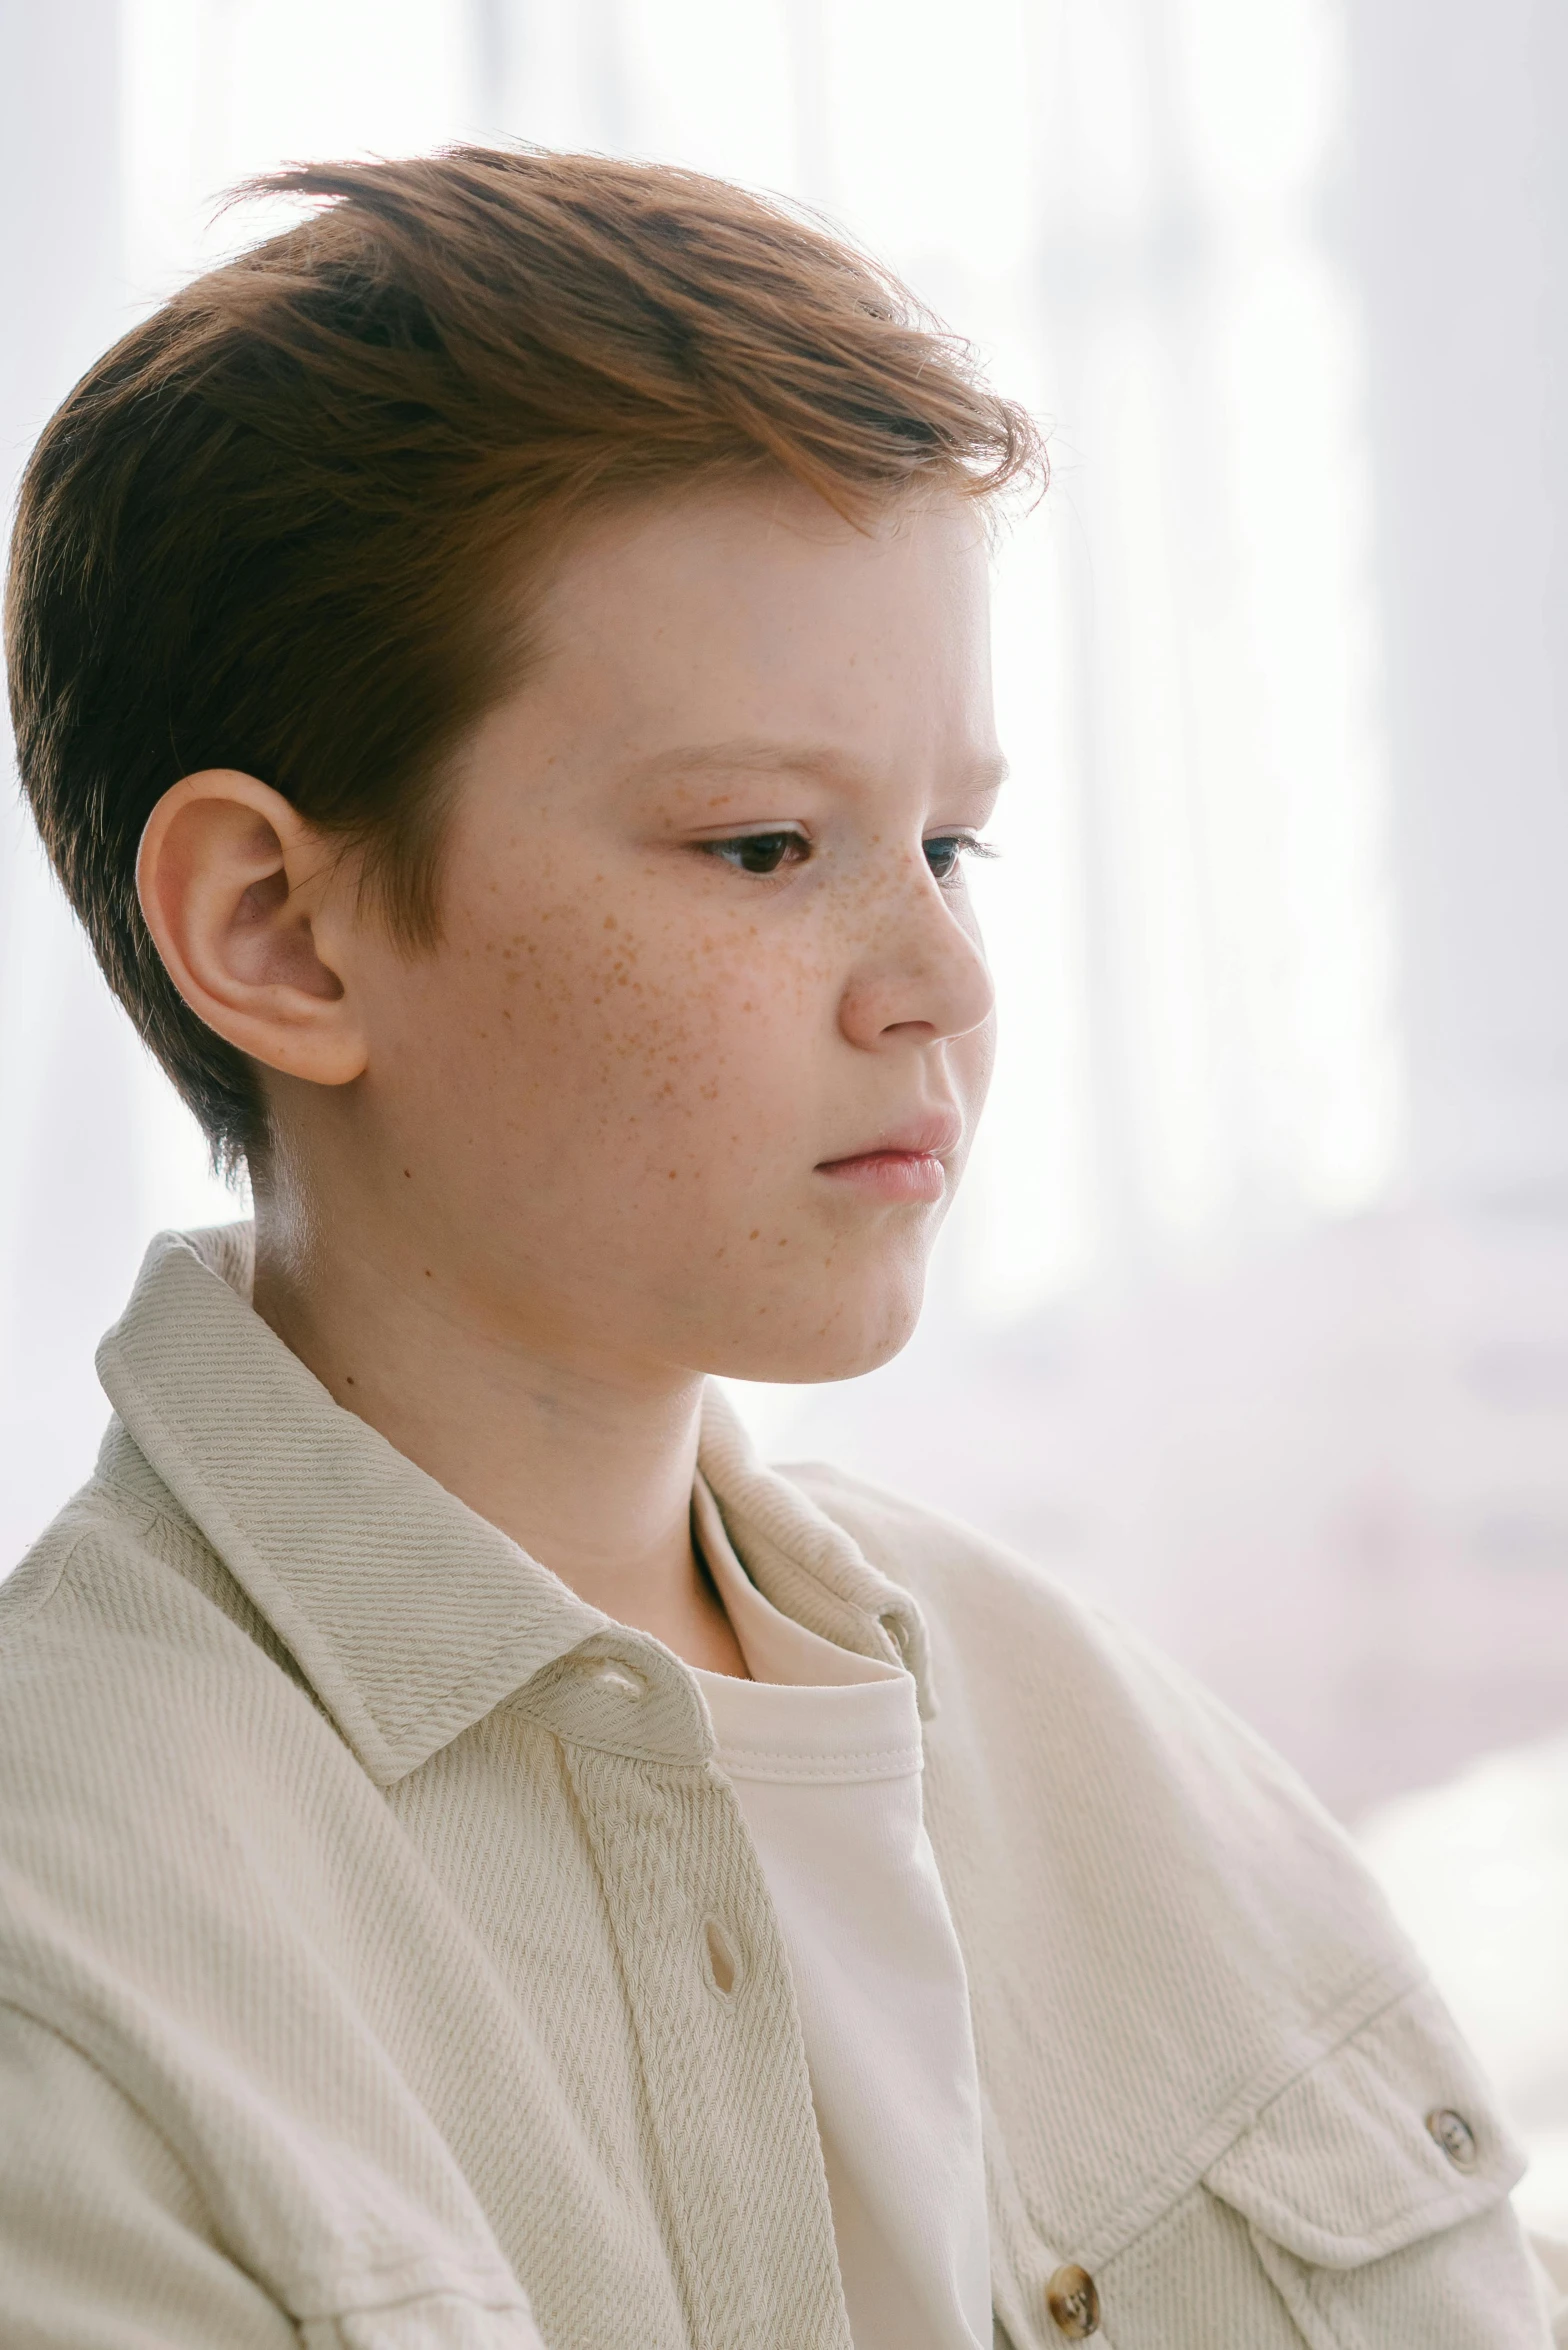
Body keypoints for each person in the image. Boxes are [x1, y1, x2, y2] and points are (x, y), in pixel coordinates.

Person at [0, 146, 1554, 2350]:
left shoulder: (1088, 1726)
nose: (938, 971)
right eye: (762, 843)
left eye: (948, 836)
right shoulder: (75, 1967)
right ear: (275, 928)